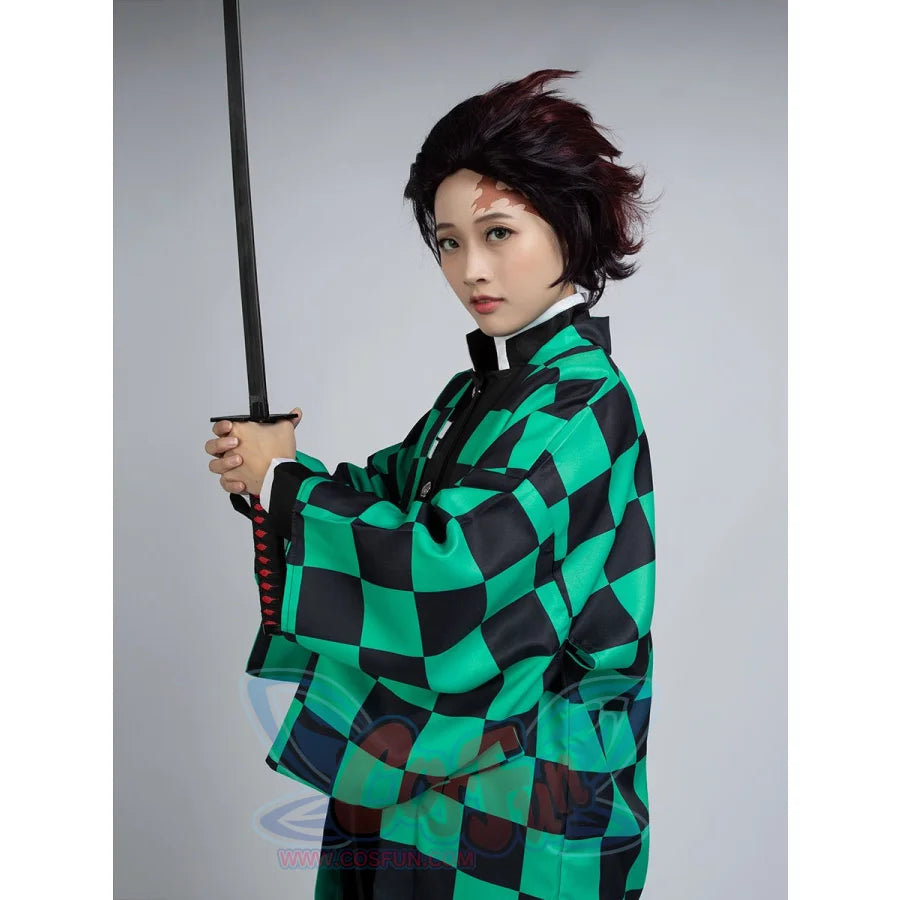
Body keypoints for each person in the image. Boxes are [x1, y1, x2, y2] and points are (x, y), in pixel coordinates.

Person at [204, 68, 657, 900]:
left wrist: (288, 489)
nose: (471, 268)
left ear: (570, 222)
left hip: (526, 800)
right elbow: (388, 492)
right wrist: (274, 475)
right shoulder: (481, 390)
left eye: (498, 232)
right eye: (449, 242)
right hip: (425, 781)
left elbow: (452, 571)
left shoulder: (582, 402)